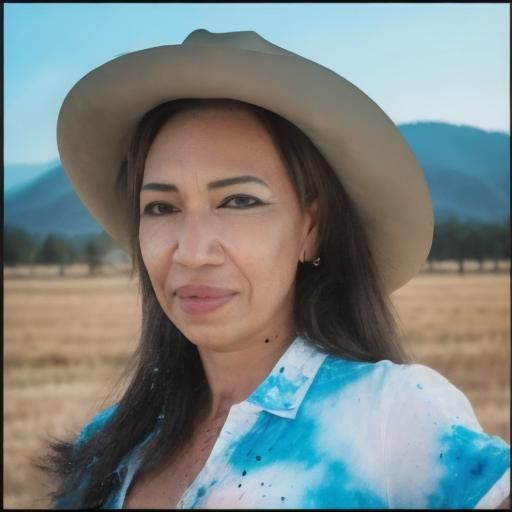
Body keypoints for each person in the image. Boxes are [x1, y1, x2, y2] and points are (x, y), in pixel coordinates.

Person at [40, 29, 509, 509]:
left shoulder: (391, 417)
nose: (192, 252)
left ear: (311, 228)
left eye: (239, 201)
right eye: (161, 207)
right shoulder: (102, 448)